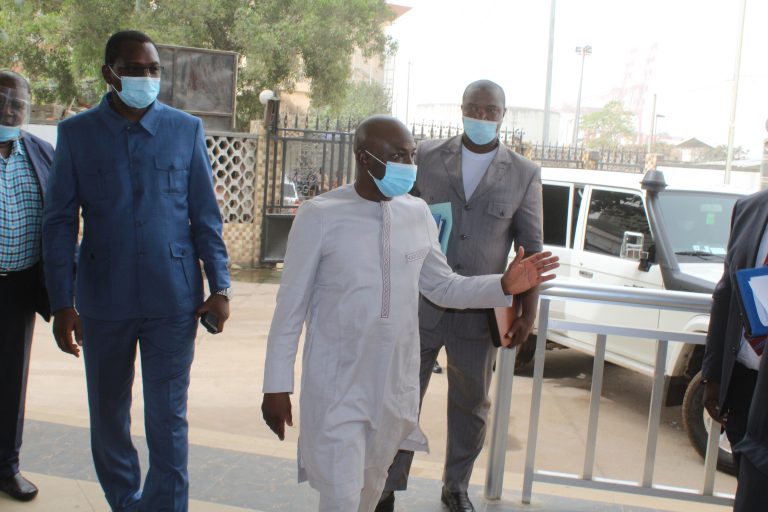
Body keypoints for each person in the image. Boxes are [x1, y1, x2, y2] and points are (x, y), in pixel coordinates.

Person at [260, 114, 558, 512]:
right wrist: (276, 385)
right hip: (337, 387)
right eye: (398, 155)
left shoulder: (417, 214)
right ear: (365, 159)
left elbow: (443, 286)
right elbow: (289, 309)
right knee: (341, 496)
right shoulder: (320, 215)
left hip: (393, 389)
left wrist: (502, 285)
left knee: (369, 493)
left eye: (412, 155)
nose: (409, 164)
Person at [43, 30, 231, 512]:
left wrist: (221, 286)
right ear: (110, 74)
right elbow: (60, 223)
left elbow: (205, 217)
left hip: (173, 299)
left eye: (153, 69)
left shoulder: (185, 130)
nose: (146, 77)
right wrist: (62, 302)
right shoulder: (77, 134)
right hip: (103, 300)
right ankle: (126, 502)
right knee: (109, 415)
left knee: (168, 418)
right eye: (135, 69)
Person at [382, 79, 544, 512]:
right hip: (421, 304)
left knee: (471, 404)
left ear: (503, 116)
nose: (482, 117)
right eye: (475, 108)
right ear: (462, 109)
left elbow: (531, 250)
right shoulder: (427, 156)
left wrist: (528, 313)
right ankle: (387, 485)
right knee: (401, 397)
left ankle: (456, 486)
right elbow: (394, 215)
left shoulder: (524, 174)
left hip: (479, 310)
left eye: (491, 111)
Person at [0, 71, 53, 502]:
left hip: (19, 288)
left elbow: (62, 221)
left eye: (17, 104)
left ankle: (7, 468)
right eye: (1, 102)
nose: (9, 111)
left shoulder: (43, 153)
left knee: (11, 382)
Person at [702, 188, 768, 510]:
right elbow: (726, 291)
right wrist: (713, 375)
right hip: (743, 383)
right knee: (749, 492)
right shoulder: (749, 208)